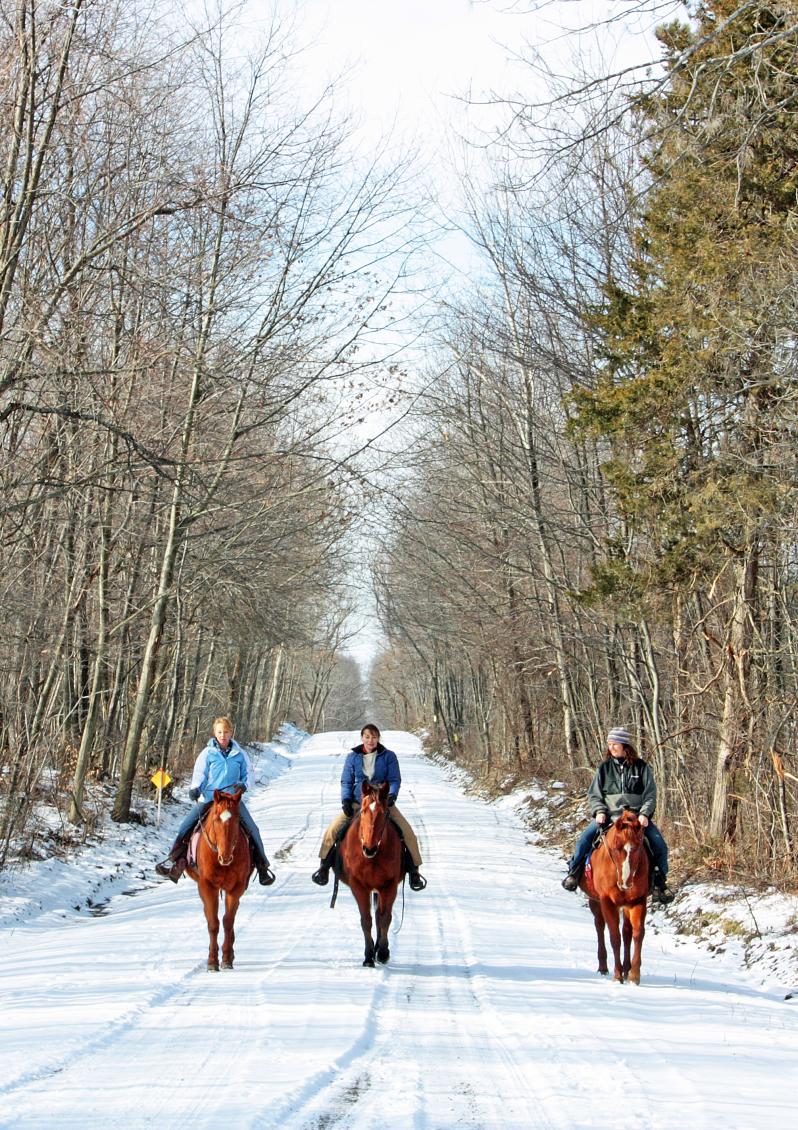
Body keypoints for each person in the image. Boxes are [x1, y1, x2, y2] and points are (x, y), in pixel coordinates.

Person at [155, 716, 275, 886]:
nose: (223, 735)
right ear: (214, 733)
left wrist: (244, 784)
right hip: (211, 799)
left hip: (232, 802)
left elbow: (249, 774)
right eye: (219, 732)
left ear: (231, 732)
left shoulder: (240, 754)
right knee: (185, 826)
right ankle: (174, 861)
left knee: (253, 829)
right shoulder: (207, 753)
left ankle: (262, 866)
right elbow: (200, 774)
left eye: (226, 732)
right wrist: (196, 788)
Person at [561, 726, 674, 904]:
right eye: (610, 744)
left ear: (625, 745)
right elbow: (595, 795)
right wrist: (599, 811)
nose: (611, 747)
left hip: (635, 820)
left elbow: (650, 795)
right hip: (609, 818)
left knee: (659, 844)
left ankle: (661, 883)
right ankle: (574, 873)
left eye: (615, 744)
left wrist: (644, 814)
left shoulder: (642, 768)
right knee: (584, 839)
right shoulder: (604, 769)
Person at [311, 723, 427, 892]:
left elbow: (394, 779)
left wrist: (391, 796)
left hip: (382, 803)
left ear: (378, 738)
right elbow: (346, 781)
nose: (370, 740)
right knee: (332, 831)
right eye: (367, 737)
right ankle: (324, 868)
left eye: (374, 737)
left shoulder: (389, 756)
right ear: (362, 738)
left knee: (407, 833)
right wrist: (345, 800)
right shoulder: (352, 757)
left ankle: (414, 872)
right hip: (358, 803)